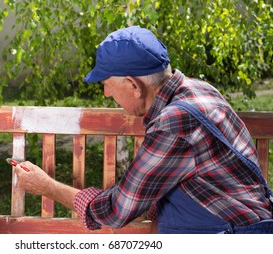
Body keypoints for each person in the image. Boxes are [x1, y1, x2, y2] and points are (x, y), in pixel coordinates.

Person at [14, 26, 273, 234]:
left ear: (133, 85)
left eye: (107, 84)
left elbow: (117, 210)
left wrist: (47, 186)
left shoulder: (174, 123)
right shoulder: (198, 89)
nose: (106, 93)